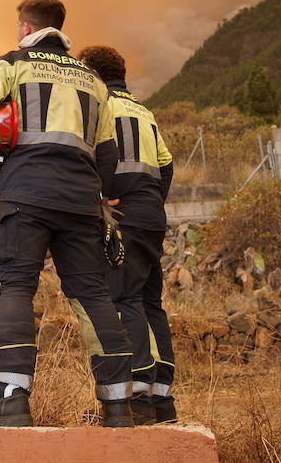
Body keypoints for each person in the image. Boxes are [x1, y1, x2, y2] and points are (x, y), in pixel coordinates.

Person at [0, 0, 135, 428]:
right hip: (81, 202)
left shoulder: (11, 63)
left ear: (24, 27)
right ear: (60, 28)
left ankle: (10, 399)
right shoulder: (94, 81)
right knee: (92, 294)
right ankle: (118, 407)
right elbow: (108, 152)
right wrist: (101, 194)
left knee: (16, 286)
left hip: (27, 195)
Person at [78, 44, 177, 424]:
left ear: (93, 73)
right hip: (153, 216)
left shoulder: (99, 103)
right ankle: (162, 397)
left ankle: (137, 396)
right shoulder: (144, 110)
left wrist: (107, 197)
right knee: (151, 303)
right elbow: (166, 165)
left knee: (124, 298)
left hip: (126, 216)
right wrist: (151, 199)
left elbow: (94, 153)